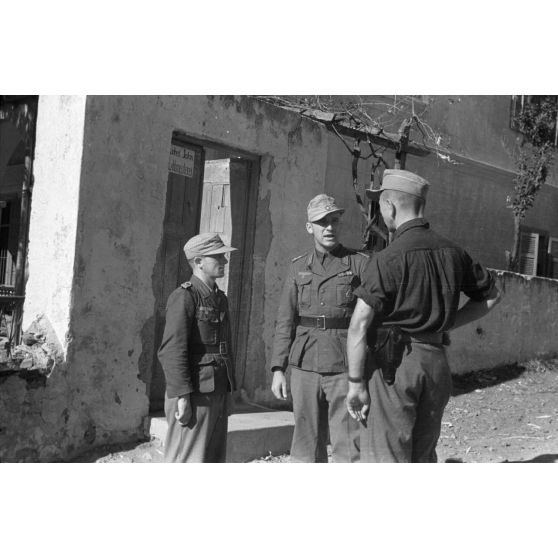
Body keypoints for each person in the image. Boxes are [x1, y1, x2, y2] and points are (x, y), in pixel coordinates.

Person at [346, 169, 501, 463]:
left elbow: (358, 325)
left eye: (380, 204)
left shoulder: (387, 258)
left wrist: (355, 383)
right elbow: (493, 296)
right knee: (423, 454)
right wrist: (445, 322)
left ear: (389, 206)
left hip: (397, 364)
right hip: (437, 362)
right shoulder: (454, 252)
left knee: (387, 456)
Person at [270, 194, 370, 462]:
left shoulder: (360, 264)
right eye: (321, 222)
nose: (329, 227)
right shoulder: (298, 267)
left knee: (348, 443)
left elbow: (371, 320)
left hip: (344, 365)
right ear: (309, 227)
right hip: (305, 364)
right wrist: (278, 368)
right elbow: (285, 319)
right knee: (305, 444)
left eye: (334, 220)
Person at [158, 232, 237, 463]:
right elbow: (172, 350)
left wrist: (229, 390)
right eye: (218, 257)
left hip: (217, 387)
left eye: (223, 256)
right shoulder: (184, 297)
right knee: (187, 457)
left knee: (211, 456)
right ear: (199, 262)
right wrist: (182, 395)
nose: (225, 261)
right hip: (194, 391)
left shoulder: (220, 298)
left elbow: (225, 347)